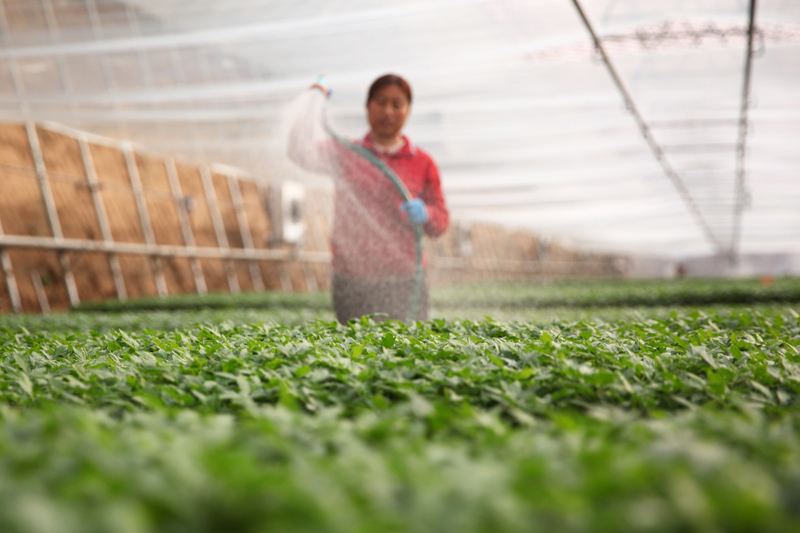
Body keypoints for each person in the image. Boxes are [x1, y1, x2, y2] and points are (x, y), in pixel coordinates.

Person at [288, 73, 449, 322]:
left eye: (397, 104)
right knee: (355, 354)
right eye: (381, 102)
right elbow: (299, 151)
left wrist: (427, 213)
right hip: (352, 279)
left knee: (409, 352)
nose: (388, 111)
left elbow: (441, 222)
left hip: (405, 278)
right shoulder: (347, 153)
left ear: (408, 110)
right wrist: (313, 102)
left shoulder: (422, 163)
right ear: (367, 106)